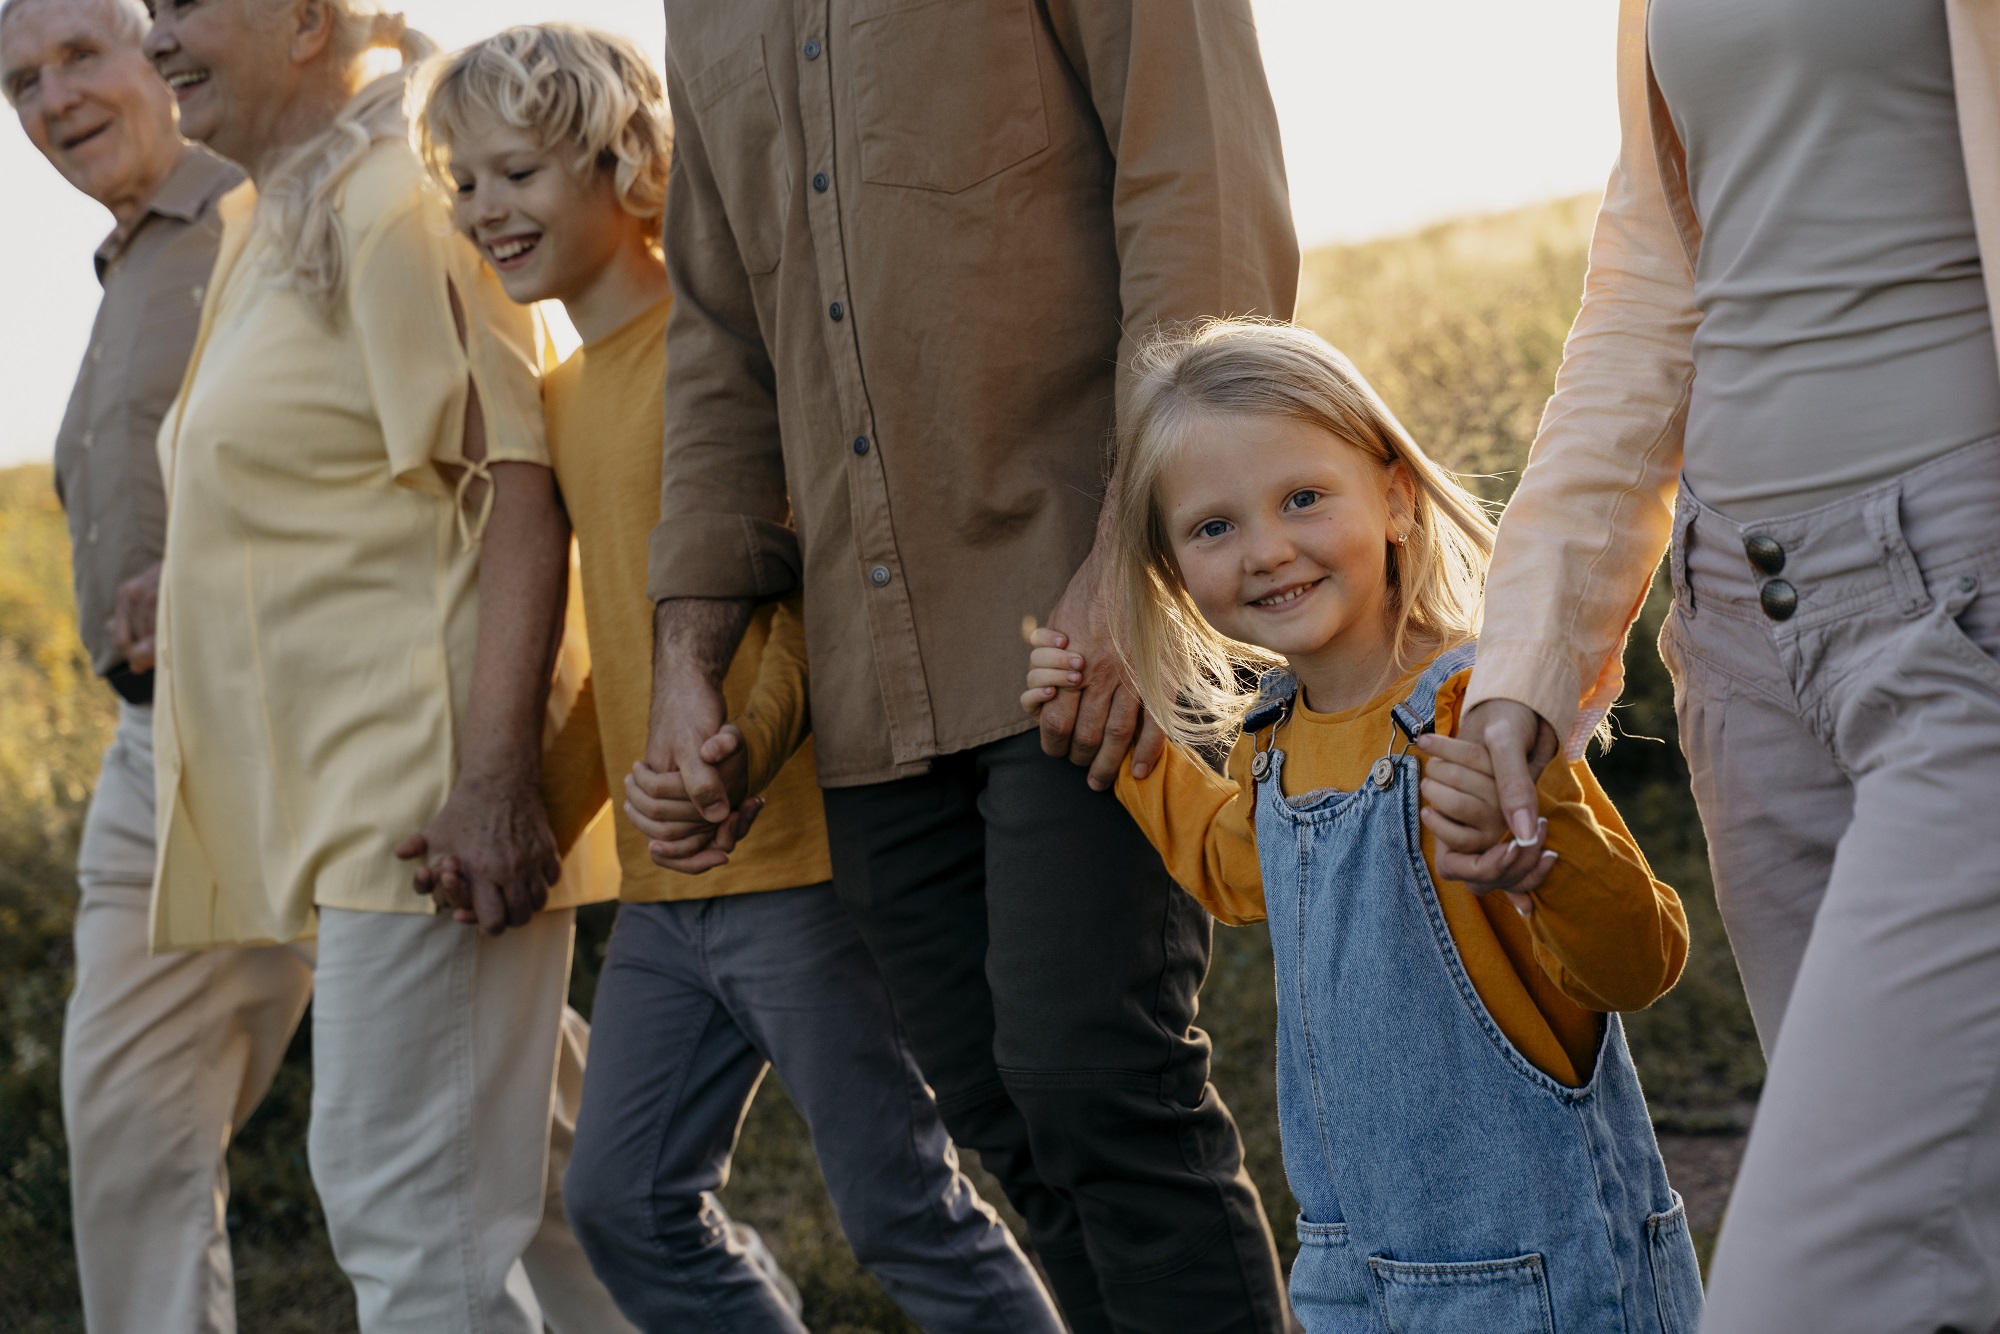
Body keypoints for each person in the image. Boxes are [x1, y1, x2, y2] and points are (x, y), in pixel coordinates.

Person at [635, 4, 1300, 1327]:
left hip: (1079, 602)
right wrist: (687, 648)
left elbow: (1201, 195)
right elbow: (718, 335)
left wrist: (1131, 557)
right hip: (872, 670)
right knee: (1008, 1119)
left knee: (1100, 1084)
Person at [416, 25, 1065, 1333]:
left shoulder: (722, 360)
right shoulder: (554, 393)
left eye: (522, 174)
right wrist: (535, 809)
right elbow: (627, 661)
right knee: (623, 1202)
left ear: (630, 162)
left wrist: (730, 753)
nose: (488, 209)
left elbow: (808, 598)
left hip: (804, 867)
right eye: (467, 181)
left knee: (900, 1206)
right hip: (667, 901)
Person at [1454, 1, 2000, 1329]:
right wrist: (1533, 648)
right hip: (1741, 643)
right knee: (1959, 1252)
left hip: (1960, 611)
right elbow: (1650, 287)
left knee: (1815, 1282)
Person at [1021, 319, 1701, 1332]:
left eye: (1301, 497)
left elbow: (1638, 962)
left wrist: (1540, 853)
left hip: (1537, 1271)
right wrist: (1127, 740)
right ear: (1171, 570)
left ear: (1391, 495)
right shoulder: (1275, 738)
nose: (1265, 549)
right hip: (1348, 1269)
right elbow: (1240, 870)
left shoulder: (1475, 712)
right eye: (1212, 527)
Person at [136, 3, 628, 1330]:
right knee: (556, 1217)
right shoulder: (277, 212)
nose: (155, 38)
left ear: (306, 20)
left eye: (183, 5)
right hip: (361, 809)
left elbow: (522, 485)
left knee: (409, 1227)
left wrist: (493, 783)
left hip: (425, 812)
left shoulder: (401, 200)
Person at [0, 2, 313, 1329]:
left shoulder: (273, 205)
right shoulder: (126, 262)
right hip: (150, 752)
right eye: (19, 80)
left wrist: (212, 576)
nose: (51, 98)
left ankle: (658, 1296)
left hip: (305, 727)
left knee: (503, 1135)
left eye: (81, 55)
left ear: (164, 49)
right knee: (127, 1134)